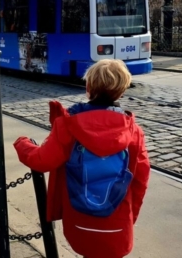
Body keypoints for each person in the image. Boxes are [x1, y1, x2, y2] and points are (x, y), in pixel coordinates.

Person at [13, 59, 150, 258]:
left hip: (79, 223)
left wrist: (22, 144)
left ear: (88, 88)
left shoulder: (69, 126)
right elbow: (140, 182)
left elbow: (41, 161)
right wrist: (130, 217)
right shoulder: (134, 132)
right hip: (118, 224)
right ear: (122, 91)